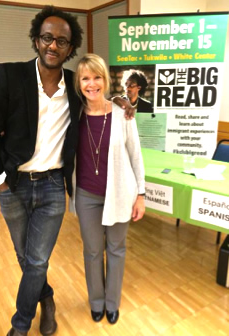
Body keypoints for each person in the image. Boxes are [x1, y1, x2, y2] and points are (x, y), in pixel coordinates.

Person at [0, 6, 133, 336]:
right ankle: (46, 299)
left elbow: (97, 94)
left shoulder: (74, 86)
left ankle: (19, 326)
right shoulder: (8, 75)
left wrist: (121, 100)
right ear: (36, 40)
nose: (53, 46)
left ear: (69, 47)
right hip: (14, 184)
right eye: (47, 38)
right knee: (27, 259)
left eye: (62, 41)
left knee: (36, 261)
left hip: (51, 187)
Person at [72, 54, 146, 325]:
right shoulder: (74, 115)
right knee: (92, 251)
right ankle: (96, 302)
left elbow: (136, 155)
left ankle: (112, 303)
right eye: (85, 78)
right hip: (86, 196)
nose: (92, 84)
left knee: (116, 248)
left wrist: (141, 195)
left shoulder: (123, 113)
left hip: (120, 194)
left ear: (105, 79)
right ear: (79, 84)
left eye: (97, 77)